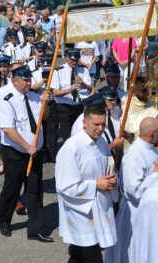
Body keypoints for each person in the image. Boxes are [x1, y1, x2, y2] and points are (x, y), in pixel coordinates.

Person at [0, 65, 53, 242]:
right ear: (15, 80)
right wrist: (27, 147)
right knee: (11, 189)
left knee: (35, 190)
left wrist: (46, 104)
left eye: (30, 79)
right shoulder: (7, 99)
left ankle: (35, 229)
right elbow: (7, 129)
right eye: (25, 80)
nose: (29, 83)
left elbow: (44, 117)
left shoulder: (35, 97)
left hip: (34, 153)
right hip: (16, 152)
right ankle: (4, 221)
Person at [56, 103, 117, 262]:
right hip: (82, 213)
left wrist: (113, 178)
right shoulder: (71, 148)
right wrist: (95, 185)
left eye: (103, 124)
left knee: (78, 255)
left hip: (101, 206)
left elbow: (108, 166)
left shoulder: (101, 142)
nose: (101, 128)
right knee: (93, 258)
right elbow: (65, 186)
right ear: (84, 122)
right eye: (96, 124)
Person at [105, 117, 158, 263]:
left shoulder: (150, 148)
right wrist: (157, 176)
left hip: (147, 209)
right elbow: (134, 191)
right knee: (134, 252)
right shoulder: (135, 155)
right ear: (152, 134)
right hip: (136, 212)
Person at [50, 48, 92, 159]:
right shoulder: (58, 71)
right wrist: (69, 89)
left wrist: (83, 84)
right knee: (67, 136)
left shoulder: (83, 70)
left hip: (79, 106)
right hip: (64, 107)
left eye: (76, 60)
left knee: (80, 134)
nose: (74, 62)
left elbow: (91, 89)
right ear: (66, 57)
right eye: (71, 59)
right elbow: (54, 92)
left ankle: (80, 156)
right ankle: (68, 158)